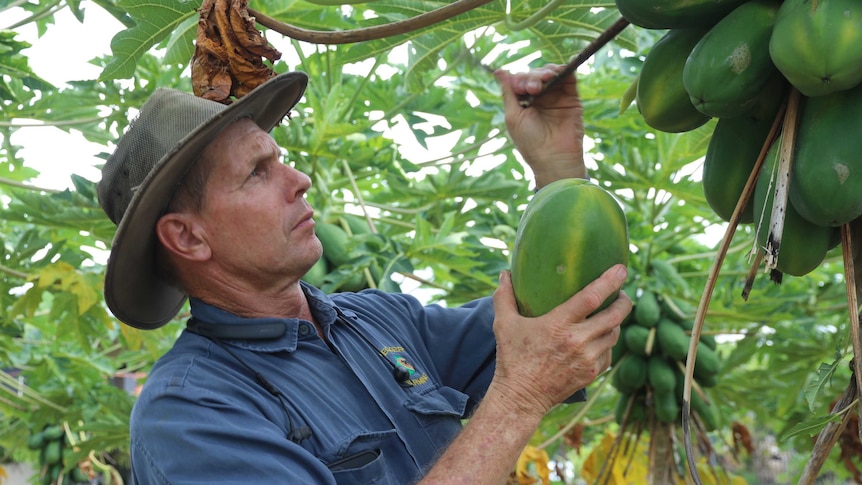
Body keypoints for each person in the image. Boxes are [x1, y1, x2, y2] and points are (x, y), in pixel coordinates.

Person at [97, 64, 631, 484]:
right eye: (257, 172)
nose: (299, 179)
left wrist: (557, 174)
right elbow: (531, 373)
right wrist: (519, 399)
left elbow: (558, 332)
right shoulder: (191, 413)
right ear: (188, 237)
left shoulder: (379, 321)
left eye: (280, 158)